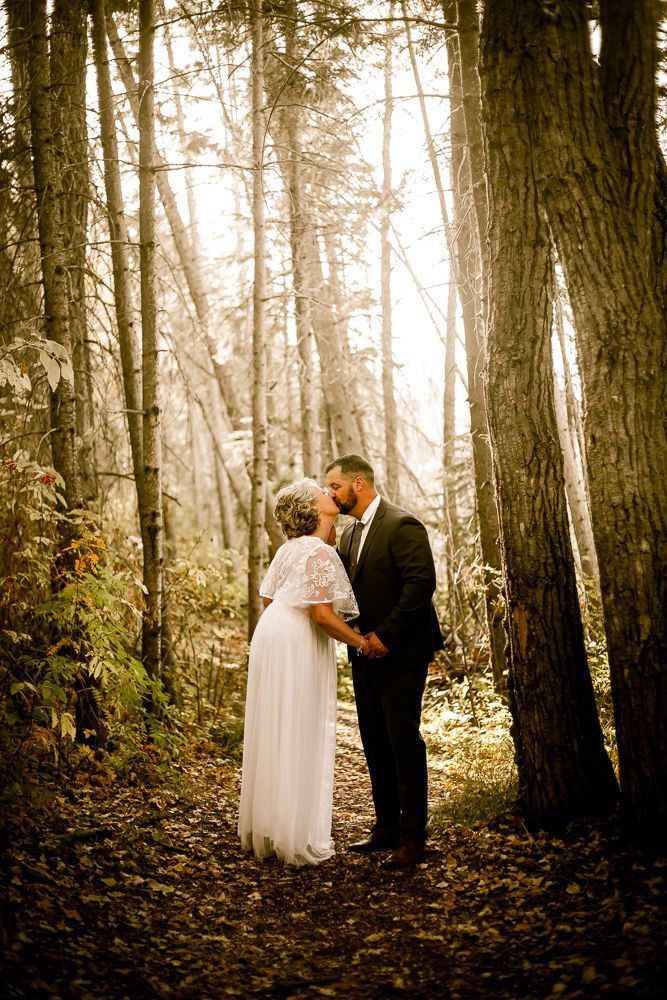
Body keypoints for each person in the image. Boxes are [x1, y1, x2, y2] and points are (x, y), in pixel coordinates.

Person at [238, 478, 366, 866]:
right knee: (296, 727)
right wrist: (362, 644)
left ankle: (272, 826)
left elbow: (267, 597)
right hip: (296, 639)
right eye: (320, 491)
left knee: (277, 726)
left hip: (273, 631)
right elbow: (323, 615)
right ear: (312, 509)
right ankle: (293, 834)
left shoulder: (289, 549)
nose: (329, 494)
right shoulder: (319, 553)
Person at [325, 455, 444, 869]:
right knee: (375, 741)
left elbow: (420, 584)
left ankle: (414, 837)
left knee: (403, 742)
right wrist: (360, 640)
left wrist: (385, 636)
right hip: (364, 654)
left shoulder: (401, 523)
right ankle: (385, 827)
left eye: (335, 486)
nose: (331, 494)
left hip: (402, 652)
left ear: (359, 483)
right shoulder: (349, 534)